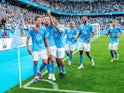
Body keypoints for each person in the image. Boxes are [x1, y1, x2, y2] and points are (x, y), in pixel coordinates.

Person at [26, 15, 49, 83]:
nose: (39, 21)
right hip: (35, 49)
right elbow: (27, 39)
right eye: (38, 20)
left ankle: (39, 71)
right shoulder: (31, 30)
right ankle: (36, 76)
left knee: (45, 62)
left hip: (42, 48)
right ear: (35, 21)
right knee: (35, 63)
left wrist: (48, 48)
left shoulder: (44, 29)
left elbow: (46, 39)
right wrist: (28, 48)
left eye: (40, 20)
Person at [47, 10, 66, 78]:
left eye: (54, 20)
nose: (53, 21)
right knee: (57, 61)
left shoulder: (61, 26)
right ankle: (61, 71)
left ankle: (64, 71)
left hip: (60, 46)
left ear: (57, 21)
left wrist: (55, 25)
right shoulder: (52, 27)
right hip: (54, 46)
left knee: (60, 60)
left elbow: (60, 31)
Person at [44, 15, 56, 81]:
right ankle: (49, 73)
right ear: (43, 20)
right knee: (47, 61)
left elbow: (52, 23)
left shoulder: (51, 26)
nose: (46, 20)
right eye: (45, 19)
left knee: (53, 60)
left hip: (52, 46)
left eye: (47, 19)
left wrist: (49, 15)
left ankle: (53, 74)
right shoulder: (42, 28)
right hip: (45, 47)